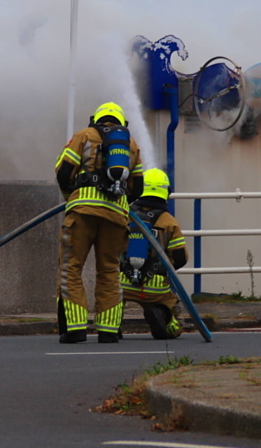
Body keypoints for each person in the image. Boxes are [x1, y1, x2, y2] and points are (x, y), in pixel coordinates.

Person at [54, 102, 143, 344]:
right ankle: (109, 330)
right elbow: (138, 188)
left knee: (71, 267)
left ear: (96, 119)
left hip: (82, 213)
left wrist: (72, 198)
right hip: (115, 217)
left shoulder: (84, 136)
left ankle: (75, 328)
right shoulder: (132, 145)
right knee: (110, 270)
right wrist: (120, 205)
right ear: (122, 124)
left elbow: (63, 172)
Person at [119, 168, 187, 339]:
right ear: (166, 191)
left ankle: (112, 326)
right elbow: (180, 258)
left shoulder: (125, 215)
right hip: (155, 285)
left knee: (111, 300)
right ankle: (164, 316)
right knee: (173, 311)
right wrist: (161, 271)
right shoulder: (169, 222)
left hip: (122, 283)